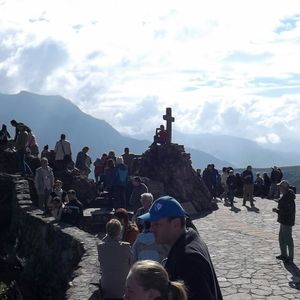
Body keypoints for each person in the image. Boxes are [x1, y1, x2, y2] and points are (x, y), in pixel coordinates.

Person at [139, 196, 223, 300]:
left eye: (157, 224)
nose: (151, 229)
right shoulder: (190, 240)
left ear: (176, 224)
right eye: (151, 224)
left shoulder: (188, 259)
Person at [97, 219, 132, 300]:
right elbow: (132, 262)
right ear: (120, 231)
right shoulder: (125, 247)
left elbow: (104, 241)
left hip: (107, 288)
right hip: (122, 289)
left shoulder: (100, 247)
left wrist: (108, 235)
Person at [272, 180, 296, 264]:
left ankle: (290, 257)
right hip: (283, 220)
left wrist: (277, 210)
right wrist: (278, 201)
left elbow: (287, 211)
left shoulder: (289, 198)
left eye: (280, 187)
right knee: (281, 238)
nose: (279, 188)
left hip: (287, 221)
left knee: (288, 239)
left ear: (284, 188)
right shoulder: (285, 195)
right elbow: (282, 203)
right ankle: (284, 254)